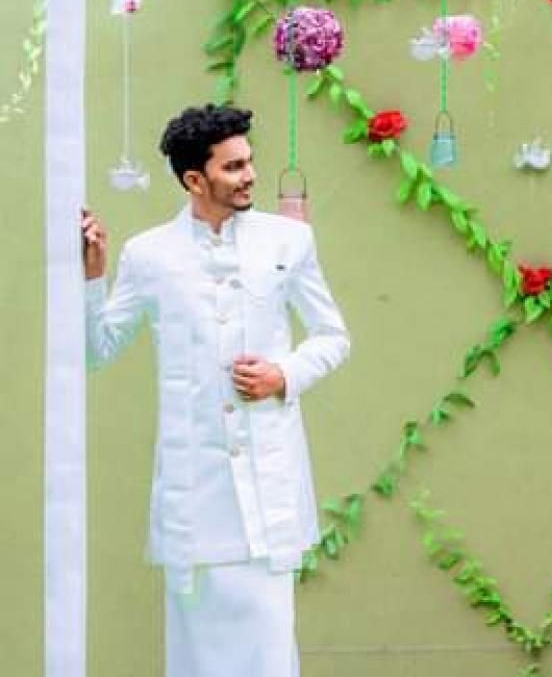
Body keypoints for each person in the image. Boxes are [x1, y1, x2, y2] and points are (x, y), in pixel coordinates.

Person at [79, 104, 351, 677]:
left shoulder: (288, 241)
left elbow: (333, 336)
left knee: (269, 651)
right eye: (233, 167)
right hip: (194, 496)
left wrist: (284, 375)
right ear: (194, 180)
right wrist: (92, 276)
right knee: (197, 656)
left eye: (249, 161)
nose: (250, 175)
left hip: (269, 486)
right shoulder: (149, 255)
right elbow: (96, 350)